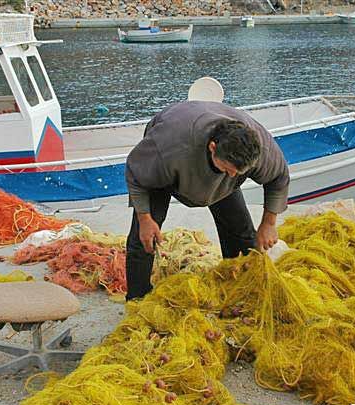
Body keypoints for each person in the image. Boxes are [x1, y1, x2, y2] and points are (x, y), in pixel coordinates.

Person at [124, 101, 290, 300]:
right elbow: (136, 173)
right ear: (213, 147)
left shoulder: (260, 148)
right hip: (173, 157)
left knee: (243, 234)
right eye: (228, 168)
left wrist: (269, 223)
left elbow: (278, 178)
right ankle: (137, 297)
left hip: (212, 158)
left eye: (239, 171)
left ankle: (239, 285)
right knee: (143, 239)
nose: (233, 174)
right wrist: (144, 218)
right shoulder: (168, 147)